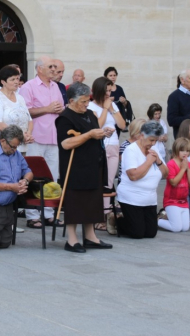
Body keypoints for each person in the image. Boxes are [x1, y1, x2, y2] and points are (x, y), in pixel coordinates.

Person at [55, 83, 113, 253]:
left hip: (93, 165)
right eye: (82, 101)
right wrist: (89, 135)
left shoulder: (90, 114)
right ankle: (72, 240)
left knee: (92, 202)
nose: (86, 104)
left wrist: (103, 132)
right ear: (71, 100)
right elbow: (65, 144)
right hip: (75, 168)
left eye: (88, 100)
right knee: (76, 203)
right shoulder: (65, 118)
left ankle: (90, 237)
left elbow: (95, 131)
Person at [19, 56, 64, 228]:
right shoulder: (28, 87)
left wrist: (61, 110)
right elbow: (25, 111)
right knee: (34, 174)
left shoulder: (56, 87)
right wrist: (47, 109)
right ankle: (32, 214)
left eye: (55, 66)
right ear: (39, 69)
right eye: (50, 66)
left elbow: (60, 107)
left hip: (54, 137)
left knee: (52, 175)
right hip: (36, 137)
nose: (54, 69)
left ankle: (49, 213)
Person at [116, 121, 168, 239]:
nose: (153, 143)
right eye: (151, 140)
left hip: (149, 199)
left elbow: (166, 174)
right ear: (142, 136)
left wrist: (158, 161)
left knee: (150, 233)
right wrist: (149, 161)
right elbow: (133, 176)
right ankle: (117, 220)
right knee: (137, 233)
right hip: (131, 197)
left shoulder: (154, 149)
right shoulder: (131, 150)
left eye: (155, 140)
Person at [88, 77, 126, 232]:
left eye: (111, 91)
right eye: (107, 91)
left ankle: (106, 215)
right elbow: (97, 125)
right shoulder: (90, 106)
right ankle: (97, 217)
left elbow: (122, 125)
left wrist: (112, 109)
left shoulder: (112, 105)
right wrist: (104, 109)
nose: (110, 94)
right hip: (99, 147)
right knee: (99, 181)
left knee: (109, 182)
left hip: (113, 146)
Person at [0, 65, 34, 155]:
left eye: (17, 79)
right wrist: (20, 136)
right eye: (12, 79)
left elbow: (29, 120)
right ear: (3, 82)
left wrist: (28, 134)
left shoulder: (20, 97)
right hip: (5, 146)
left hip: (21, 145)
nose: (16, 82)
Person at [158, 138, 190, 233]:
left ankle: (167, 217)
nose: (185, 153)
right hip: (171, 201)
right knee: (176, 228)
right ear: (176, 150)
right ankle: (156, 220)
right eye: (182, 150)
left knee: (185, 227)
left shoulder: (188, 164)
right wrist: (182, 169)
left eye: (187, 151)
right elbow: (173, 182)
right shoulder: (171, 164)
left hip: (183, 201)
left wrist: (188, 169)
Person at [104, 66, 132, 133]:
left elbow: (125, 104)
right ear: (106, 77)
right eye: (110, 75)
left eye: (114, 75)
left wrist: (124, 101)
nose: (113, 77)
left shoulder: (119, 88)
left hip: (118, 116)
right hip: (108, 116)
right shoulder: (103, 88)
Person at [118, 118, 146, 184]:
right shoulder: (125, 146)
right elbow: (127, 165)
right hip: (127, 181)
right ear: (136, 132)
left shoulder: (145, 144)